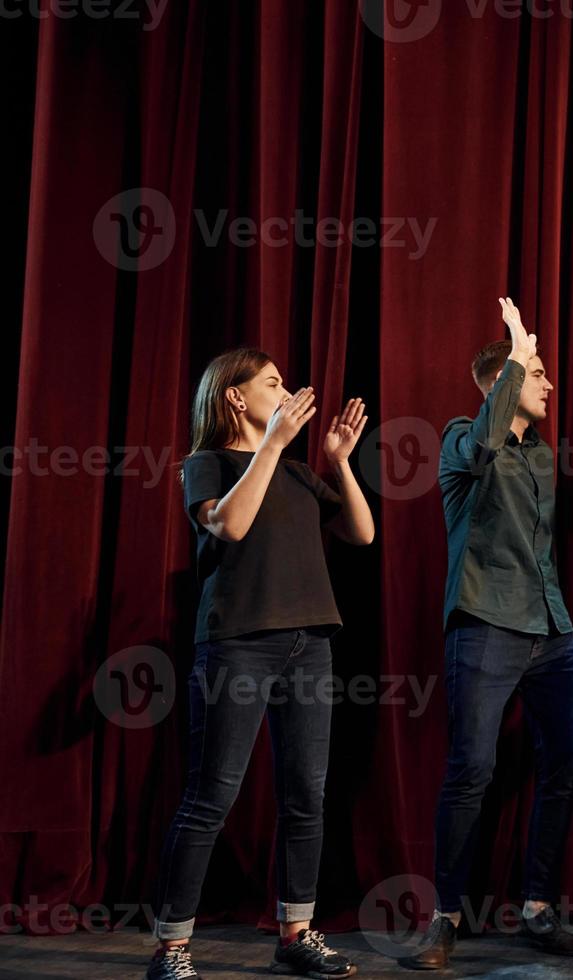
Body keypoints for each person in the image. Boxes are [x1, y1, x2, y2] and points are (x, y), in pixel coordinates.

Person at [147, 351, 374, 980]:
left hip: (311, 645)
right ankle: (172, 947)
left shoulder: (301, 473)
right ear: (236, 399)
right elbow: (231, 526)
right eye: (272, 383)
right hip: (240, 646)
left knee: (307, 795)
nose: (288, 389)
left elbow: (362, 534)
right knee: (212, 794)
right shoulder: (207, 464)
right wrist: (271, 448)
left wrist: (341, 464)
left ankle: (295, 933)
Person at [403, 298, 573, 969]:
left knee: (564, 763)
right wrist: (515, 348)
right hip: (486, 624)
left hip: (552, 629)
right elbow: (483, 447)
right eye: (535, 373)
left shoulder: (540, 456)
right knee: (471, 771)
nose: (546, 383)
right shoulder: (461, 437)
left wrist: (555, 622)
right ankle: (444, 918)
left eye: (538, 371)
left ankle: (538, 906)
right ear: (499, 382)